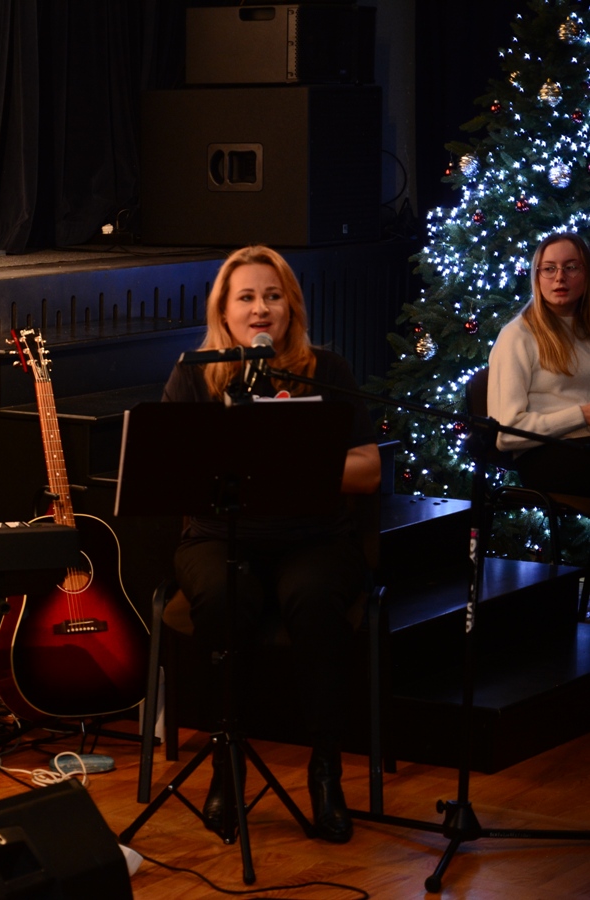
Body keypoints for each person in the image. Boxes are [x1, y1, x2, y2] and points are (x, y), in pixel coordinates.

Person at [161, 245, 380, 845]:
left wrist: (295, 464)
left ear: (291, 307)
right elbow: (172, 470)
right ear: (224, 312)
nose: (261, 308)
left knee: (314, 598)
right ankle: (225, 765)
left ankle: (325, 770)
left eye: (273, 296)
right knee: (222, 595)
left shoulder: (326, 369)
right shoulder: (192, 373)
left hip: (314, 538)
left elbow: (367, 469)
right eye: (247, 297)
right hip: (218, 536)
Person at [488, 231, 590, 495]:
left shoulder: (584, 327)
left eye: (571, 267)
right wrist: (581, 415)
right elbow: (506, 433)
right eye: (549, 268)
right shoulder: (517, 336)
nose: (560, 277)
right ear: (537, 276)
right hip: (545, 456)